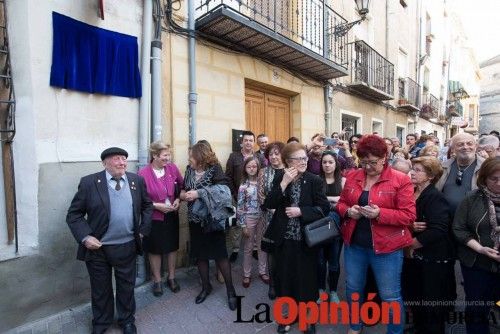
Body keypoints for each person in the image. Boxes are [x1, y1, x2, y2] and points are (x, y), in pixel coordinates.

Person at [66, 147, 153, 334]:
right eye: (117, 159)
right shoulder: (89, 183)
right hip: (99, 248)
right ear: (105, 163)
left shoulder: (136, 180)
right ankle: (101, 323)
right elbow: (74, 215)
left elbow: (147, 205)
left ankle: (127, 321)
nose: (122, 162)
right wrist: (85, 236)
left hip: (127, 245)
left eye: (124, 159)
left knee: (126, 287)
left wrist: (143, 231)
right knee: (100, 289)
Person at [336, 135, 416, 334]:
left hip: (387, 248)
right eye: (363, 162)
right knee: (353, 288)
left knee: (390, 295)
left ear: (384, 157)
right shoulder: (354, 176)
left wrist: (380, 213)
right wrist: (348, 211)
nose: (368, 167)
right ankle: (355, 326)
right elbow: (340, 204)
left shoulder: (400, 179)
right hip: (355, 244)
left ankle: (395, 332)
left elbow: (408, 216)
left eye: (373, 162)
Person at [264, 142, 330, 334]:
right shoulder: (279, 176)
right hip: (284, 238)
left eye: (304, 158)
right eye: (298, 159)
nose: (303, 161)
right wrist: (283, 183)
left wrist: (302, 211)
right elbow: (269, 203)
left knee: (306, 280)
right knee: (285, 278)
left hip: (306, 239)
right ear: (288, 161)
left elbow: (323, 208)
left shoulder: (314, 180)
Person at [181, 142, 237, 310]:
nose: (189, 158)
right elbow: (184, 188)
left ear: (200, 156)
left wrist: (199, 193)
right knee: (200, 255)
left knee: (220, 255)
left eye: (192, 155)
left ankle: (231, 291)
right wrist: (184, 195)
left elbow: (224, 190)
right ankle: (206, 287)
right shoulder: (189, 169)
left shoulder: (215, 169)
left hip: (212, 220)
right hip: (194, 220)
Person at [403, 156, 455, 333]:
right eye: (413, 169)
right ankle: (419, 327)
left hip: (433, 258)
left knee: (431, 300)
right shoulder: (411, 192)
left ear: (431, 176)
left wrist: (411, 245)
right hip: (416, 258)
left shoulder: (435, 197)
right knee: (416, 294)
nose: (412, 172)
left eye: (418, 170)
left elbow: (438, 229)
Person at [453, 157, 500, 334]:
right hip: (476, 263)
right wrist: (480, 248)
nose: (498, 183)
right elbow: (459, 228)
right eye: (493, 179)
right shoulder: (471, 199)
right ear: (484, 178)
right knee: (477, 307)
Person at [137, 141, 183, 296]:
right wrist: (156, 205)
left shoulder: (172, 169)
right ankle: (157, 280)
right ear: (155, 156)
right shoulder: (143, 174)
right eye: (164, 155)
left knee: (172, 247)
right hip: (154, 217)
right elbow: (139, 199)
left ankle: (171, 277)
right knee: (154, 249)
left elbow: (181, 188)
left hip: (171, 215)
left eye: (169, 155)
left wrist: (178, 199)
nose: (168, 158)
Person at [225, 131, 266, 263]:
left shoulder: (259, 158)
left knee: (256, 223)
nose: (248, 142)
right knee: (237, 224)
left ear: (254, 143)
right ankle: (236, 249)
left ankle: (254, 248)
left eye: (250, 140)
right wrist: (234, 193)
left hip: (256, 198)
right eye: (246, 140)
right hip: (238, 195)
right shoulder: (233, 157)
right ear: (241, 142)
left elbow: (264, 175)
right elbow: (228, 176)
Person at [258, 141, 285, 300]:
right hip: (269, 218)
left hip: (287, 217)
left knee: (285, 250)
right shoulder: (263, 172)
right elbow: (261, 195)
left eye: (277, 153)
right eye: (271, 154)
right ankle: (273, 285)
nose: (274, 156)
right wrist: (272, 209)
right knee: (272, 252)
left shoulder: (290, 171)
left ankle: (285, 282)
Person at [317, 150, 345, 303]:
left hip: (336, 229)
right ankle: (321, 290)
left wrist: (326, 201)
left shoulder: (343, 181)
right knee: (320, 261)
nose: (327, 165)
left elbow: (345, 202)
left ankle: (333, 291)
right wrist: (334, 199)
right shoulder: (316, 180)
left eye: (330, 162)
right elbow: (315, 202)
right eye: (324, 162)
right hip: (319, 228)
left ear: (336, 164)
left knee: (334, 262)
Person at [435, 133, 486, 218]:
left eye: (469, 143)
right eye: (460, 144)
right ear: (453, 148)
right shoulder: (443, 167)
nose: (465, 147)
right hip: (445, 219)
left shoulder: (485, 166)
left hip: (473, 220)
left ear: (476, 146)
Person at [237, 156, 267, 288]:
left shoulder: (263, 183)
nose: (252, 169)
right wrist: (243, 225)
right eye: (249, 167)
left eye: (254, 166)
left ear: (258, 167)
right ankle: (247, 274)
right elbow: (240, 206)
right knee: (248, 247)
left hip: (262, 216)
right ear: (245, 168)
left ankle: (262, 271)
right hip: (249, 217)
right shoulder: (243, 186)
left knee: (262, 245)